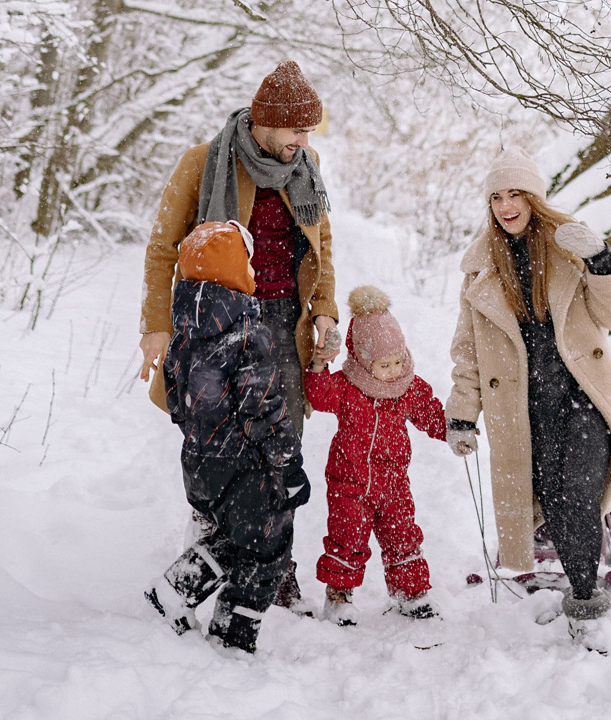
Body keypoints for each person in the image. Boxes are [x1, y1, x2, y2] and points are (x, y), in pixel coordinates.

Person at [137, 60, 339, 611]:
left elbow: (322, 247)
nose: (304, 141)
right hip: (218, 323)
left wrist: (325, 311)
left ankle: (276, 571)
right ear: (266, 124)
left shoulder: (307, 165)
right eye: (296, 130)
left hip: (286, 325)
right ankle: (209, 551)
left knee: (281, 449)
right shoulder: (205, 163)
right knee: (221, 450)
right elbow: (162, 248)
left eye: (308, 131)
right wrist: (156, 326)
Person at [444, 146, 611, 652]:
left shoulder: (570, 246)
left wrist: (600, 260)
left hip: (584, 397)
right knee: (553, 502)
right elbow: (469, 353)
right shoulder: (481, 269)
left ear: (534, 198)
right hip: (527, 412)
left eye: (515, 194)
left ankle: (587, 607)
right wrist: (462, 414)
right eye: (496, 197)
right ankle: (580, 568)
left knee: (576, 496)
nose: (506, 205)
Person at [143, 220, 311, 654]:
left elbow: (177, 400)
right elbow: (264, 408)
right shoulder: (246, 334)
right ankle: (233, 638)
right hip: (246, 465)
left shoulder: (184, 332)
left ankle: (174, 590)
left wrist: (204, 435)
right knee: (266, 550)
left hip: (200, 462)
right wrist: (288, 463)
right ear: (238, 272)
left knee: (235, 540)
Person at [303, 286, 447, 626]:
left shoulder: (408, 385)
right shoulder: (348, 386)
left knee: (404, 536)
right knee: (346, 538)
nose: (394, 370)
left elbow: (429, 411)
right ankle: (338, 598)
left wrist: (454, 429)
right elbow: (319, 395)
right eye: (385, 365)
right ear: (365, 362)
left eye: (398, 360)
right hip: (349, 483)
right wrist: (320, 364)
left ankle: (409, 594)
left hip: (394, 483)